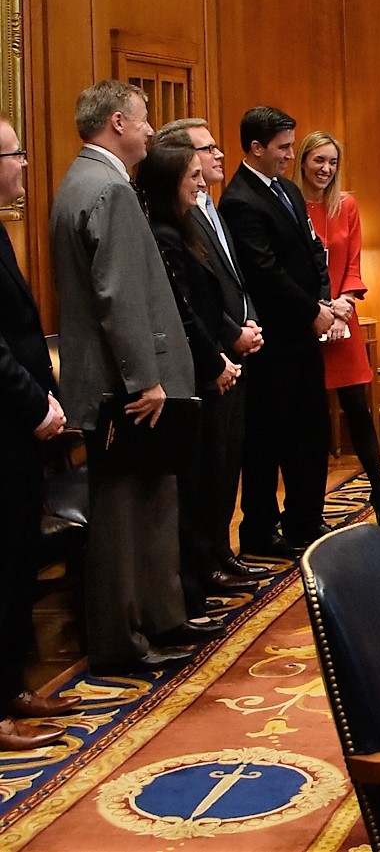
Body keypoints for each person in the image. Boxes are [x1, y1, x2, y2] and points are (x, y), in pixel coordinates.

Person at [50, 80, 198, 672]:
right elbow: (117, 294)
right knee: (121, 516)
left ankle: (158, 619)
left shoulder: (86, 181)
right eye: (143, 120)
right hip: (124, 388)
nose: (149, 131)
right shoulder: (106, 187)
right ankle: (122, 641)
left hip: (122, 380)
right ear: (117, 122)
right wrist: (145, 379)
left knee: (150, 503)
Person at [137, 139, 246, 623]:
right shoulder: (161, 235)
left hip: (207, 366)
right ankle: (192, 588)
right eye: (193, 178)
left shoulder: (182, 229)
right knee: (193, 488)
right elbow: (182, 314)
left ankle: (203, 575)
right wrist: (216, 361)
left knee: (211, 480)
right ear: (169, 183)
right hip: (192, 375)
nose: (202, 184)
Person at [219, 105, 333, 559]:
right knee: (268, 440)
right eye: (283, 147)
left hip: (303, 334)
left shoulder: (285, 188)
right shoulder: (240, 200)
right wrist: (311, 311)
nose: (291, 155)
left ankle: (305, 519)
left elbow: (311, 252)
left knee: (310, 431)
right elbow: (265, 273)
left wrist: (322, 302)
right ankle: (261, 531)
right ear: (256, 148)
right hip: (273, 341)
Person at [158, 118, 267, 591]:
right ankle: (206, 563)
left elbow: (233, 279)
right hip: (212, 359)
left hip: (236, 350)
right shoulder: (173, 222)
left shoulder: (209, 205)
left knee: (228, 465)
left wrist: (250, 325)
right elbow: (190, 301)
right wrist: (228, 339)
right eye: (206, 150)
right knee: (210, 470)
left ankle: (220, 553)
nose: (217, 157)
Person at [0, 118, 76, 748]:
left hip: (18, 423)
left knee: (17, 560)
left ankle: (13, 686)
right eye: (15, 153)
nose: (25, 164)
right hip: (3, 425)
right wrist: (34, 403)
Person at [292, 131, 380, 524]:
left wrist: (345, 304)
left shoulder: (346, 205)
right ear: (302, 161)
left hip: (343, 320)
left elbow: (352, 264)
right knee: (308, 416)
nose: (325, 169)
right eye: (318, 160)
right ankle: (307, 509)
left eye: (332, 162)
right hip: (306, 320)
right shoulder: (291, 203)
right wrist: (319, 310)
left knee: (358, 410)